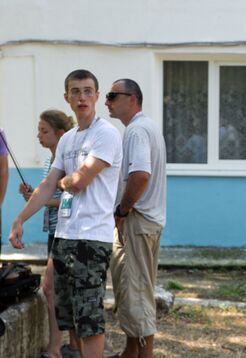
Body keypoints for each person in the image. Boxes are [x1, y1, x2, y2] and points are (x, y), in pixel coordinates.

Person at [9, 69, 122, 358]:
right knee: (69, 315)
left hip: (91, 239)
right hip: (64, 236)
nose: (82, 97)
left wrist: (63, 181)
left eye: (87, 91)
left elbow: (79, 181)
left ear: (97, 96)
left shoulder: (106, 134)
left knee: (89, 320)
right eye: (76, 91)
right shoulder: (69, 139)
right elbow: (48, 185)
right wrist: (20, 218)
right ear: (67, 97)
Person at [105, 79, 166, 358]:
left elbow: (140, 175)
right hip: (146, 223)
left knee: (135, 297)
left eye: (112, 95)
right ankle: (130, 352)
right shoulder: (146, 127)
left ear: (132, 99)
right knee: (136, 294)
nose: (106, 101)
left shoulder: (137, 130)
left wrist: (121, 211)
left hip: (136, 222)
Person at [18, 110, 81, 358]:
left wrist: (43, 200)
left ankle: (54, 350)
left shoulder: (69, 163)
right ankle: (74, 346)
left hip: (66, 233)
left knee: (52, 288)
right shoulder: (50, 162)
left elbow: (71, 200)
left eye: (44, 131)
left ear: (61, 134)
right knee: (62, 289)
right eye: (38, 130)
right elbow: (49, 195)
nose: (38, 136)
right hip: (53, 231)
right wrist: (33, 195)